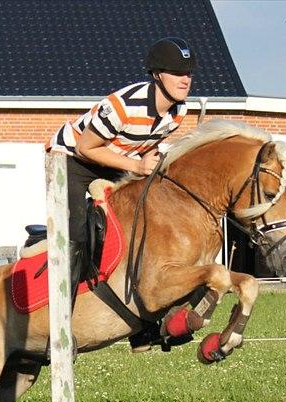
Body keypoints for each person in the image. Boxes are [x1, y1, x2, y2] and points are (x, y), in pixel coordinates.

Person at [46, 37, 197, 305]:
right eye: (176, 73)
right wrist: (137, 166)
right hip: (71, 160)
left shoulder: (179, 112)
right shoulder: (123, 106)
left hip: (113, 161)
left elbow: (147, 145)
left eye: (188, 73)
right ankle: (62, 317)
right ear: (157, 75)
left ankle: (144, 314)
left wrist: (147, 160)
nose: (185, 79)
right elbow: (85, 148)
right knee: (78, 234)